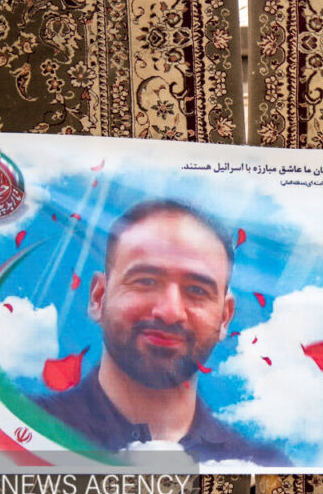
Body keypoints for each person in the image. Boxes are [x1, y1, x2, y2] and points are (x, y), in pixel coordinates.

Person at [34, 199, 290, 466]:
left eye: (197, 290)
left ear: (225, 317)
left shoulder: (265, 468)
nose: (170, 312)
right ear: (99, 297)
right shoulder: (21, 430)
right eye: (146, 281)